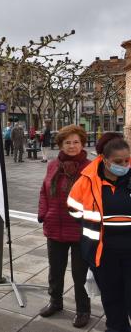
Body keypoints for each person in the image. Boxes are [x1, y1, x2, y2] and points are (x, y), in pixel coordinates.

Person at [68, 135, 131, 332]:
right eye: (118, 162)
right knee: (112, 298)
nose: (124, 165)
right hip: (102, 254)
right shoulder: (87, 180)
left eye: (127, 160)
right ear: (105, 159)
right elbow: (73, 208)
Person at [37, 125, 91, 328]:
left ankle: (83, 310)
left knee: (80, 274)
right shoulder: (52, 165)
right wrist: (44, 213)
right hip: (55, 226)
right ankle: (55, 302)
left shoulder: (91, 168)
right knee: (55, 270)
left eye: (76, 142)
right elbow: (44, 191)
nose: (72, 146)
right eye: (67, 142)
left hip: (80, 230)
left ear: (83, 143)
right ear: (60, 144)